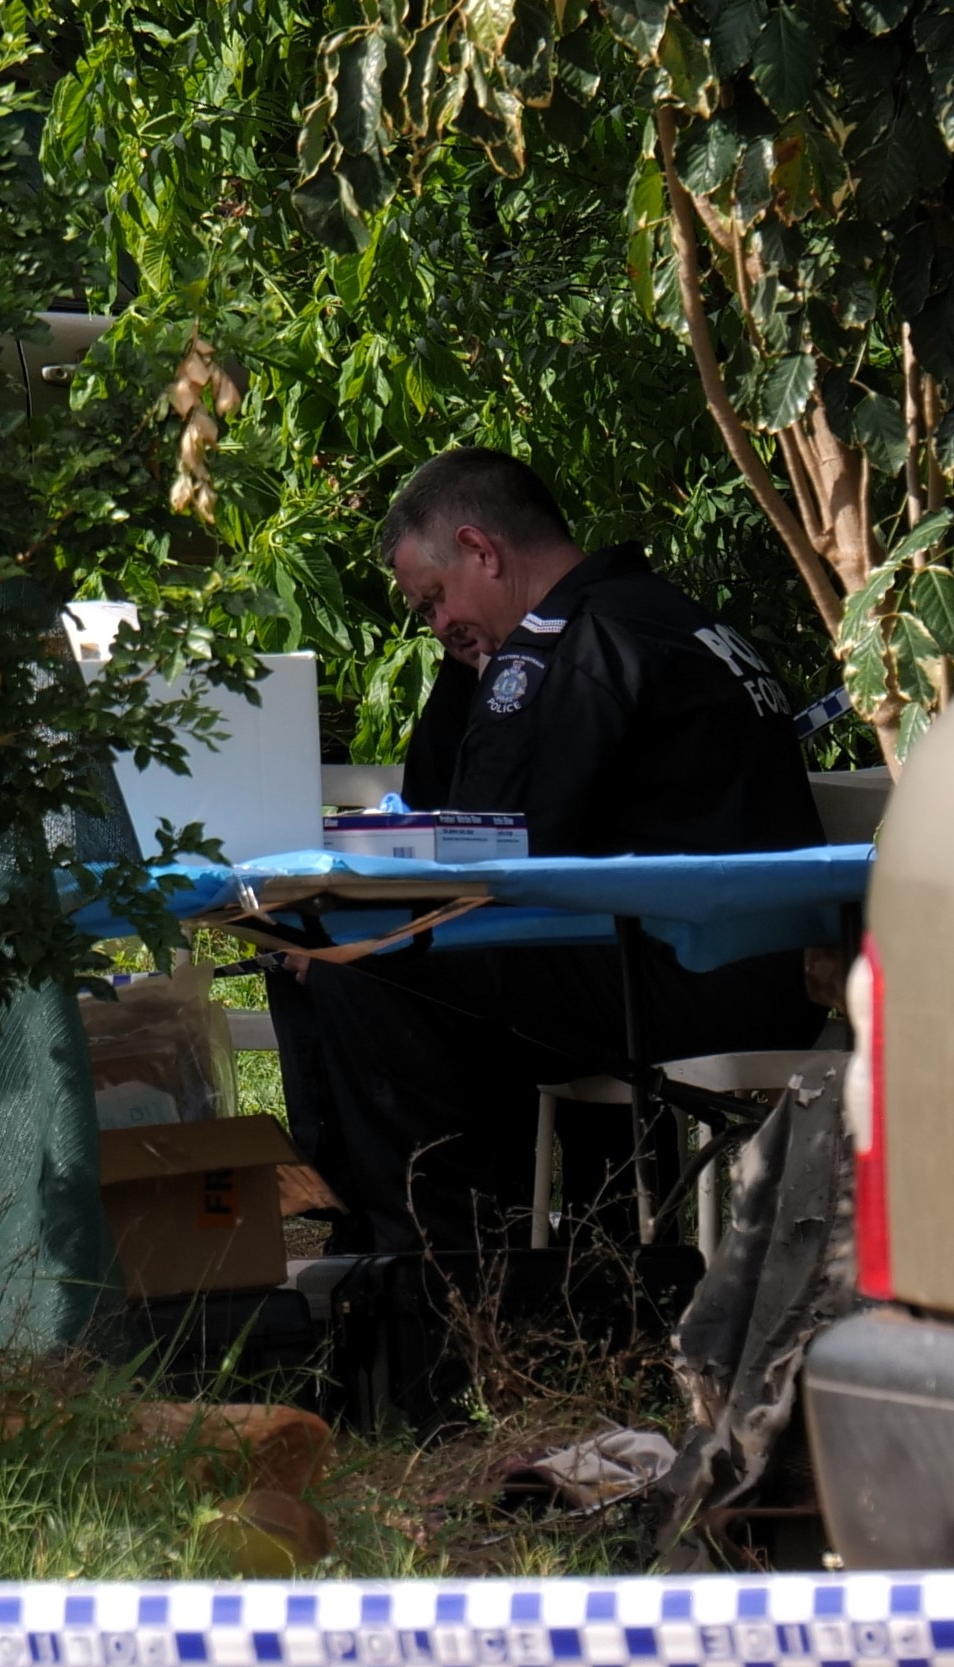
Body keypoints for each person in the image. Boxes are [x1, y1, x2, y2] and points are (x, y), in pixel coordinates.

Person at [268, 448, 826, 1254]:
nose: (437, 627)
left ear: (481, 549)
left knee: (362, 966)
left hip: (688, 975)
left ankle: (447, 1273)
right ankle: (571, 1254)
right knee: (407, 962)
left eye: (434, 599)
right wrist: (471, 670)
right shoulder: (662, 612)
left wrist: (348, 932)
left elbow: (482, 847)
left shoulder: (573, 650)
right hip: (762, 970)